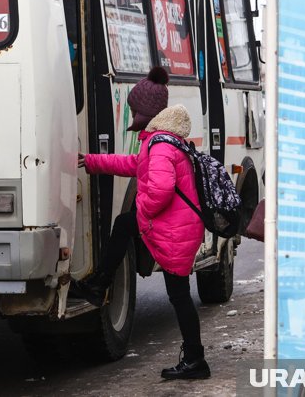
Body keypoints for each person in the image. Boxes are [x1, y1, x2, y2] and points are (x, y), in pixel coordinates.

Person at [73, 66, 210, 380]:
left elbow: (160, 190)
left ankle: (195, 361)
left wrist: (143, 215)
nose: (132, 113)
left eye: (135, 109)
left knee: (177, 294)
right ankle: (194, 358)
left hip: (175, 231)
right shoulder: (161, 142)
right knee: (127, 227)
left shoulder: (161, 146)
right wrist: (92, 161)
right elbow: (134, 165)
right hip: (180, 227)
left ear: (147, 112)